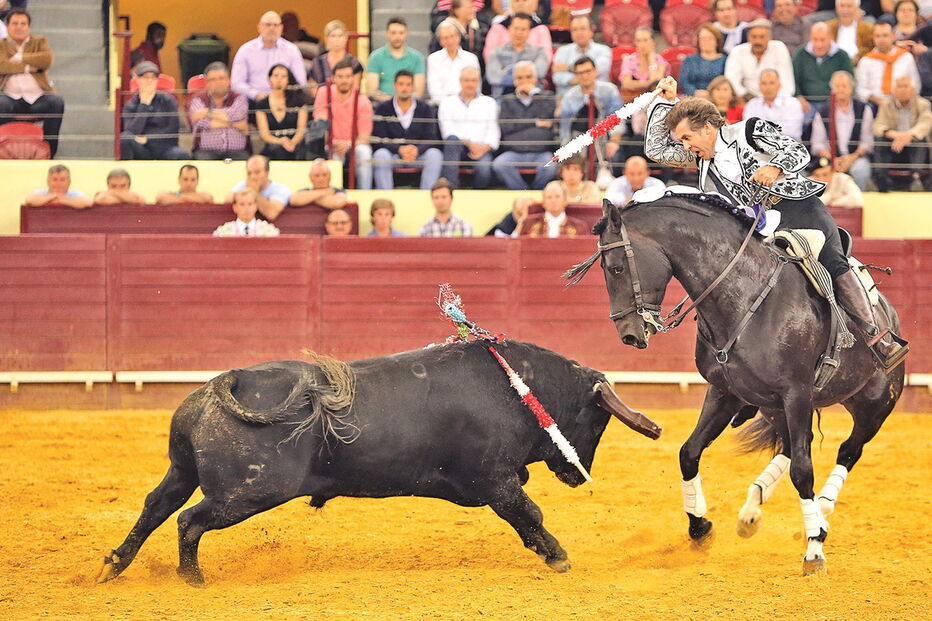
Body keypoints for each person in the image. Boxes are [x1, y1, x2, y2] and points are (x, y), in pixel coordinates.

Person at [645, 75, 905, 369]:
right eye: (681, 141)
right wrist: (666, 102)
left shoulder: (749, 129)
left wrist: (774, 167)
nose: (684, 146)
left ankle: (877, 338)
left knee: (832, 261)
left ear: (707, 128)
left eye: (686, 138)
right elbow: (656, 151)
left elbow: (797, 151)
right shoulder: (702, 158)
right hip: (755, 227)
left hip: (796, 209)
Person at [0, 9, 65, 158]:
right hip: (10, 98)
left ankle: (49, 153)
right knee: (0, 104)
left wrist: (18, 57)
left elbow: (46, 60)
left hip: (37, 98)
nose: (19, 27)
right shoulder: (1, 45)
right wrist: (30, 66)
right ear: (7, 26)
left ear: (28, 27)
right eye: (15, 23)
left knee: (56, 102)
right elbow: (1, 65)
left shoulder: (39, 42)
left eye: (23, 24)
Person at [372, 70, 443, 190]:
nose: (404, 88)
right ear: (395, 86)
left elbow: (431, 137)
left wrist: (417, 150)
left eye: (408, 84)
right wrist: (399, 149)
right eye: (401, 84)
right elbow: (379, 139)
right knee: (380, 155)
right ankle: (385, 199)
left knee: (435, 155)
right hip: (393, 155)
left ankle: (427, 198)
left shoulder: (425, 108)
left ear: (413, 87)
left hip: (418, 155)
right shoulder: (383, 108)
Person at [491, 61, 557, 190]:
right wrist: (535, 123)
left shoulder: (547, 97)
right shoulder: (507, 100)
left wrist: (535, 94)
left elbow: (547, 116)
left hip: (541, 152)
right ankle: (522, 192)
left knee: (551, 167)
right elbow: (506, 127)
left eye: (528, 77)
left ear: (535, 79)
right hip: (514, 152)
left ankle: (536, 192)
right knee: (499, 164)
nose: (524, 81)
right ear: (514, 81)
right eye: (520, 78)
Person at [313, 58, 373, 190]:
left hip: (354, 145)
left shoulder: (363, 101)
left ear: (353, 79)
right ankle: (333, 196)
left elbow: (364, 136)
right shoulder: (324, 92)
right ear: (333, 78)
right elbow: (320, 121)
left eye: (348, 76)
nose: (344, 80)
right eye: (340, 76)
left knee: (364, 153)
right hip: (331, 143)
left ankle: (365, 194)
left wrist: (347, 144)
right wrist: (333, 143)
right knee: (333, 156)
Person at [809, 71, 875, 190]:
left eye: (844, 86)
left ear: (851, 88)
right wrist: (833, 159)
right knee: (820, 172)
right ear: (832, 89)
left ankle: (857, 205)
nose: (841, 90)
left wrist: (851, 158)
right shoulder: (823, 110)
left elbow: (867, 142)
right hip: (829, 158)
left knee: (861, 171)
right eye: (837, 86)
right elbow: (817, 144)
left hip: (856, 158)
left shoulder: (863, 109)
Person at [438, 66, 499, 189]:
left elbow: (493, 132)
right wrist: (468, 143)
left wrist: (483, 149)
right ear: (460, 81)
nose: (470, 84)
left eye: (474, 80)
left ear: (478, 82)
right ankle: (451, 189)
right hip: (458, 147)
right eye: (467, 80)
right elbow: (447, 131)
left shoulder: (489, 102)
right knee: (452, 141)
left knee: (484, 169)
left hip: (482, 149)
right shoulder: (447, 102)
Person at [231, 11, 307, 106]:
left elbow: (300, 82)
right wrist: (256, 95)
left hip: (285, 102)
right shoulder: (245, 50)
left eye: (276, 25)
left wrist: (281, 95)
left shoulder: (292, 50)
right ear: (259, 27)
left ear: (281, 28)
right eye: (268, 25)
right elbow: (236, 83)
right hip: (254, 101)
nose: (272, 28)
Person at [872, 75, 932, 190]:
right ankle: (881, 178)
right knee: (880, 139)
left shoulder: (923, 104)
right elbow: (878, 125)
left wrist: (908, 135)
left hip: (913, 144)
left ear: (913, 89)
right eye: (899, 86)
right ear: (893, 90)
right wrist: (895, 135)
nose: (903, 89)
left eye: (906, 86)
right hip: (894, 144)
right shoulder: (886, 104)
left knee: (921, 139)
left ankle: (916, 177)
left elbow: (925, 124)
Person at [120, 61, 190, 160]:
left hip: (164, 147)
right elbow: (131, 132)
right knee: (125, 138)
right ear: (137, 80)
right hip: (142, 149)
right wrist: (144, 105)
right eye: (145, 77)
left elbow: (173, 129)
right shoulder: (130, 105)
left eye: (153, 77)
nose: (150, 81)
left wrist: (148, 139)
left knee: (181, 155)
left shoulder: (168, 100)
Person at [558, 56, 622, 158]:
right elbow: (565, 128)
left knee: (616, 156)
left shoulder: (609, 90)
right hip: (578, 140)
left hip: (606, 138)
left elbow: (617, 120)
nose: (585, 76)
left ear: (595, 71)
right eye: (580, 73)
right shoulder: (569, 97)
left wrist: (614, 142)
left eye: (588, 71)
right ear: (576, 75)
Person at [188, 61, 249, 161]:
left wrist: (206, 113)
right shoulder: (197, 99)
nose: (218, 82)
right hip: (206, 152)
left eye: (221, 78)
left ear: (228, 80)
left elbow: (236, 115)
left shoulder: (239, 97)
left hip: (237, 152)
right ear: (207, 83)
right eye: (213, 79)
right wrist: (234, 124)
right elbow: (200, 122)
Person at [724, 19, 795, 99]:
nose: (758, 41)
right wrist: (744, 95)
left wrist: (776, 101)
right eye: (754, 37)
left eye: (762, 37)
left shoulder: (779, 48)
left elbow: (786, 82)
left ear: (769, 37)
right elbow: (731, 79)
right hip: (746, 98)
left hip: (776, 98)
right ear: (748, 37)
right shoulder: (738, 51)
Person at [856, 21, 922, 105]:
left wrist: (902, 100)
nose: (881, 39)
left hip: (903, 104)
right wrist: (880, 102)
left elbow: (915, 84)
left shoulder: (906, 57)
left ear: (893, 36)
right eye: (877, 36)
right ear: (873, 38)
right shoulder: (866, 61)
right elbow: (861, 89)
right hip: (875, 105)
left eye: (885, 35)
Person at [793, 22, 855, 109]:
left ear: (831, 38)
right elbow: (794, 80)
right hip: (806, 104)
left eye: (822, 40)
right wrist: (799, 97)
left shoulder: (842, 55)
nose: (819, 45)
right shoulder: (800, 53)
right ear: (810, 38)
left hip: (835, 103)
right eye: (815, 40)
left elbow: (850, 82)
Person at [485, 12, 548, 97]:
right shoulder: (496, 53)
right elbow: (494, 77)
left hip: (533, 100)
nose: (519, 32)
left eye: (523, 29)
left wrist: (507, 70)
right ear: (509, 29)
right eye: (516, 28)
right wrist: (527, 76)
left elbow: (540, 73)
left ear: (529, 31)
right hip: (503, 100)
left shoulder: (539, 52)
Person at [255, 64, 308, 161]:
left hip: (295, 145)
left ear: (288, 80)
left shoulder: (299, 102)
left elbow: (301, 130)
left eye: (283, 76)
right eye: (276, 76)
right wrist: (280, 141)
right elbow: (265, 134)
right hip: (273, 147)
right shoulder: (261, 104)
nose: (279, 79)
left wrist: (292, 143)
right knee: (276, 150)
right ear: (269, 78)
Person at [366, 17, 426, 103]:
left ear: (406, 34)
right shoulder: (375, 57)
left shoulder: (417, 58)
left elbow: (418, 92)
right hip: (383, 105)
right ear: (387, 33)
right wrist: (392, 102)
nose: (397, 37)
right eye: (393, 33)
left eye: (401, 33)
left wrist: (401, 101)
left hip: (410, 105)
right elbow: (372, 91)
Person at [550, 14, 611, 97]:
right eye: (575, 29)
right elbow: (557, 78)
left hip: (598, 100)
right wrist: (587, 77)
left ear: (591, 30)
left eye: (582, 29)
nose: (579, 33)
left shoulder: (604, 50)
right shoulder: (562, 51)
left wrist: (568, 68)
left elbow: (598, 70)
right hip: (567, 100)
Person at [427, 19, 481, 103]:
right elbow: (434, 89)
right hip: (442, 105)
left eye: (452, 36)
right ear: (440, 41)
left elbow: (476, 86)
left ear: (458, 37)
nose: (450, 41)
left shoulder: (471, 58)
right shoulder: (433, 59)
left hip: (469, 103)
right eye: (445, 38)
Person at [484, 0, 553, 64]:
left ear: (535, 3)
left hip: (531, 74)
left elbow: (546, 57)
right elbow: (489, 55)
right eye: (517, 0)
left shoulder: (541, 29)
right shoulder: (498, 28)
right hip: (501, 72)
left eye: (525, 0)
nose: (521, 3)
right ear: (511, 3)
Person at [743, 69, 805, 140]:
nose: (768, 87)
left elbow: (791, 131)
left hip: (787, 147)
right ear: (759, 86)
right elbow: (748, 131)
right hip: (758, 148)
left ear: (779, 85)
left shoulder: (793, 103)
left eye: (771, 83)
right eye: (764, 83)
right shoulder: (751, 105)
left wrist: (761, 133)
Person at [226, 155, 291, 220]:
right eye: (249, 173)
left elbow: (271, 213)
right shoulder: (243, 185)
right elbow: (228, 200)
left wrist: (253, 191)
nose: (252, 177)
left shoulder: (280, 189)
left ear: (267, 173)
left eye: (257, 172)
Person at [309, 20, 363, 97]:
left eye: (340, 36)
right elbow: (313, 89)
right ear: (326, 39)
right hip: (322, 104)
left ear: (346, 38)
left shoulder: (354, 63)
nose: (336, 39)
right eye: (333, 36)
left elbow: (355, 89)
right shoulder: (317, 62)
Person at [517, 181, 587, 237]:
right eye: (549, 197)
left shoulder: (579, 226)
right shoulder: (529, 223)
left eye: (557, 197)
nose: (553, 201)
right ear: (544, 203)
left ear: (565, 201)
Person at [619, 27, 670, 100]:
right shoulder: (628, 60)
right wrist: (649, 83)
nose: (642, 44)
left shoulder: (661, 61)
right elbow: (626, 84)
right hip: (631, 100)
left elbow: (656, 85)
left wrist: (651, 59)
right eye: (638, 41)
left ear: (653, 42)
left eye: (645, 40)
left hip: (654, 100)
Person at [679, 23, 727, 97]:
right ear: (698, 41)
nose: (706, 41)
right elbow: (684, 82)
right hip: (693, 97)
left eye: (710, 38)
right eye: (703, 38)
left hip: (717, 98)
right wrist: (695, 92)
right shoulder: (690, 60)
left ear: (717, 40)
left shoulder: (725, 60)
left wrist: (711, 94)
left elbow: (726, 82)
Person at [213, 188, 281, 237]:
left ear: (256, 206)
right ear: (235, 207)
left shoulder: (268, 231)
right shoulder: (224, 232)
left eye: (250, 204)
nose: (246, 208)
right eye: (242, 204)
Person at [24, 164, 92, 209]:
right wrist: (55, 195)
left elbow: (88, 202)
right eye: (54, 179)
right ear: (48, 182)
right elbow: (29, 200)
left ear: (69, 182)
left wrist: (60, 198)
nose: (58, 183)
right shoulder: (40, 193)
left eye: (62, 180)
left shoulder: (76, 194)